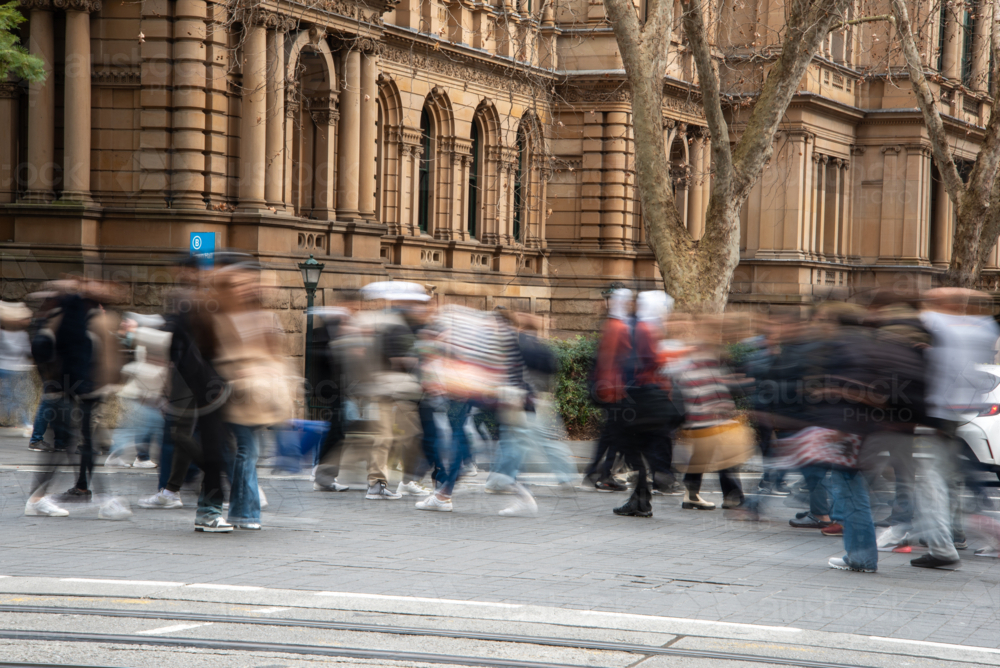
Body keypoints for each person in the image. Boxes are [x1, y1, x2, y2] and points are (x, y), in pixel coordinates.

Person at [911, 288, 1000, 568]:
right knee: (953, 478)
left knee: (929, 482)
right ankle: (955, 534)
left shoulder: (935, 322)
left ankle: (943, 546)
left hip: (935, 411)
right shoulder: (984, 326)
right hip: (963, 411)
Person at [212, 261, 293, 530]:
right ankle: (246, 513)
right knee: (247, 452)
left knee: (247, 452)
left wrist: (268, 369)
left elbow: (277, 355)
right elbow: (220, 358)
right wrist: (243, 368)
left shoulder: (264, 317)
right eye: (238, 285)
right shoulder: (220, 319)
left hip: (260, 395)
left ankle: (241, 511)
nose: (244, 289)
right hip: (235, 396)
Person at [0, 301, 34, 437]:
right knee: (19, 398)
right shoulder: (22, 334)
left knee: (10, 397)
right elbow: (26, 351)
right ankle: (25, 423)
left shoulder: (2, 333)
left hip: (5, 367)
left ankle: (24, 422)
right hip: (17, 368)